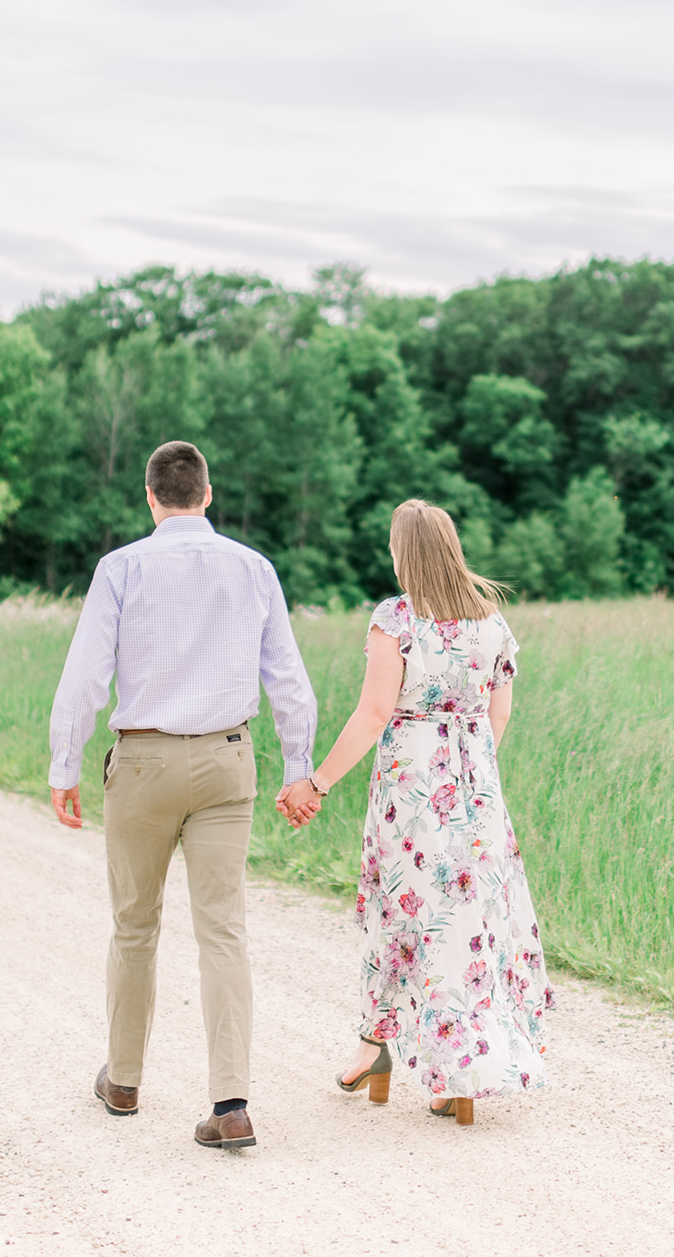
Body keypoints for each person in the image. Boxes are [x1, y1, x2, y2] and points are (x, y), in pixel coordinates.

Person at [47, 440, 320, 1151]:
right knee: (222, 928)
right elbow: (288, 677)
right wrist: (299, 763)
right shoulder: (254, 569)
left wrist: (63, 762)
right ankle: (230, 1104)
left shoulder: (121, 568)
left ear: (150, 497)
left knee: (135, 925)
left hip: (140, 765)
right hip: (227, 763)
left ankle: (126, 1081)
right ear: (207, 493)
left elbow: (85, 674)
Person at [278, 498, 553, 1125]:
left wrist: (316, 783)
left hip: (411, 792)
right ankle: (461, 1072)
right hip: (475, 793)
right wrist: (471, 770)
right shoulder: (491, 624)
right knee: (471, 919)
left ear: (404, 555)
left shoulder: (397, 620)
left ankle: (379, 1050)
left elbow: (375, 714)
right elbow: (499, 713)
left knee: (402, 913)